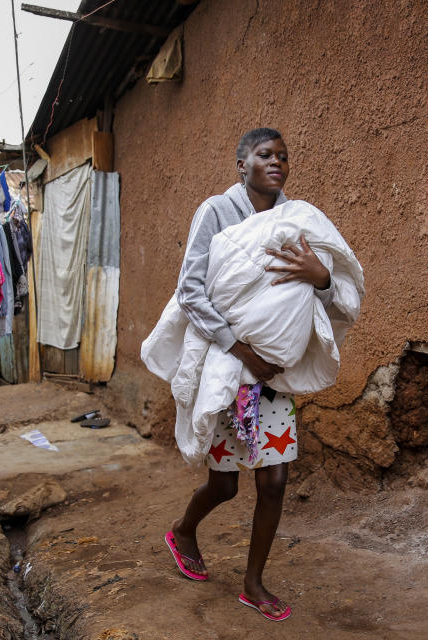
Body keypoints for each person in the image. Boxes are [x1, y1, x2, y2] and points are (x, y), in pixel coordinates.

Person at [165, 128, 336, 622]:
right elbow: (191, 290)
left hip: (274, 374)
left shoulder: (296, 218)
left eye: (283, 156)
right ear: (242, 164)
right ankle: (183, 530)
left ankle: (253, 582)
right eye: (265, 155)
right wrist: (241, 350)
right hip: (229, 367)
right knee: (224, 485)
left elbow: (323, 293)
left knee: (275, 480)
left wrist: (319, 276)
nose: (276, 162)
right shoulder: (216, 212)